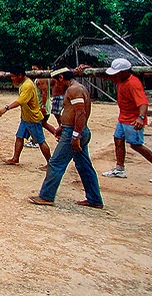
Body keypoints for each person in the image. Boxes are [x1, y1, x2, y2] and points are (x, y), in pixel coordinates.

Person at [29, 68, 104, 208]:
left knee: (56, 163)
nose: (56, 86)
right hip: (76, 130)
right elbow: (76, 113)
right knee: (84, 166)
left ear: (61, 78)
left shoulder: (73, 90)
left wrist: (75, 135)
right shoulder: (79, 88)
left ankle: (46, 196)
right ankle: (94, 199)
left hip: (74, 132)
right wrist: (63, 127)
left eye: (56, 82)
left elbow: (80, 113)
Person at [102, 58, 152, 183]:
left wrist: (140, 118)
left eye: (116, 73)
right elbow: (104, 75)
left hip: (133, 119)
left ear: (124, 72)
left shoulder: (133, 84)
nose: (114, 76)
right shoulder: (120, 80)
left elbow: (143, 103)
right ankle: (119, 169)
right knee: (118, 139)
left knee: (136, 145)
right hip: (123, 117)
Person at [0, 64, 52, 167]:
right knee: (19, 136)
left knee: (40, 141)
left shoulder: (27, 85)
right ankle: (15, 158)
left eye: (13, 76)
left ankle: (50, 163)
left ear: (20, 75)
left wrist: (6, 108)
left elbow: (20, 101)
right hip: (26, 117)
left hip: (32, 118)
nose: (12, 79)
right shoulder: (24, 83)